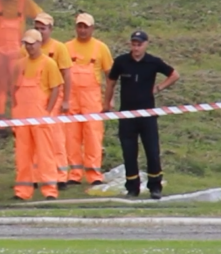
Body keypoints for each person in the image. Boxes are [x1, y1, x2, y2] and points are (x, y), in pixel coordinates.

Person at [104, 30, 180, 199]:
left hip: (147, 114)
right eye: (134, 44)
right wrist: (107, 103)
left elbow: (174, 75)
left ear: (146, 45)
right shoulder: (121, 62)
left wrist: (159, 88)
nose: (136, 48)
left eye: (139, 45)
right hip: (127, 115)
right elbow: (111, 82)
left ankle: (155, 186)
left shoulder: (152, 62)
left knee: (152, 151)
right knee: (129, 152)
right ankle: (132, 187)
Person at [11, 29, 64, 200]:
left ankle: (50, 191)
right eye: (26, 43)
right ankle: (22, 192)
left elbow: (56, 88)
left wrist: (47, 111)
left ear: (39, 43)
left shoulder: (49, 64)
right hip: (22, 118)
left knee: (45, 155)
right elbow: (13, 89)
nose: (29, 47)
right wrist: (15, 109)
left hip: (40, 117)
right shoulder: (19, 65)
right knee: (23, 156)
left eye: (32, 43)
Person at [64, 12, 113, 186]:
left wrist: (109, 99)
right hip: (71, 98)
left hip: (92, 99)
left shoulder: (101, 48)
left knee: (93, 137)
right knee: (71, 137)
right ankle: (74, 174)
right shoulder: (66, 48)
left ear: (92, 28)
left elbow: (111, 76)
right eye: (80, 26)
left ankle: (94, 175)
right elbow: (58, 73)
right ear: (75, 27)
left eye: (86, 27)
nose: (82, 30)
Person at [27, 13, 72, 190]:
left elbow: (67, 74)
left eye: (43, 28)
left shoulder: (59, 48)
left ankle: (61, 176)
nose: (40, 32)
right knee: (36, 139)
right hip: (33, 101)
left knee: (56, 138)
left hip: (53, 98)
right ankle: (38, 175)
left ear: (50, 30)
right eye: (37, 28)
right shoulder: (27, 48)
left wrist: (66, 100)